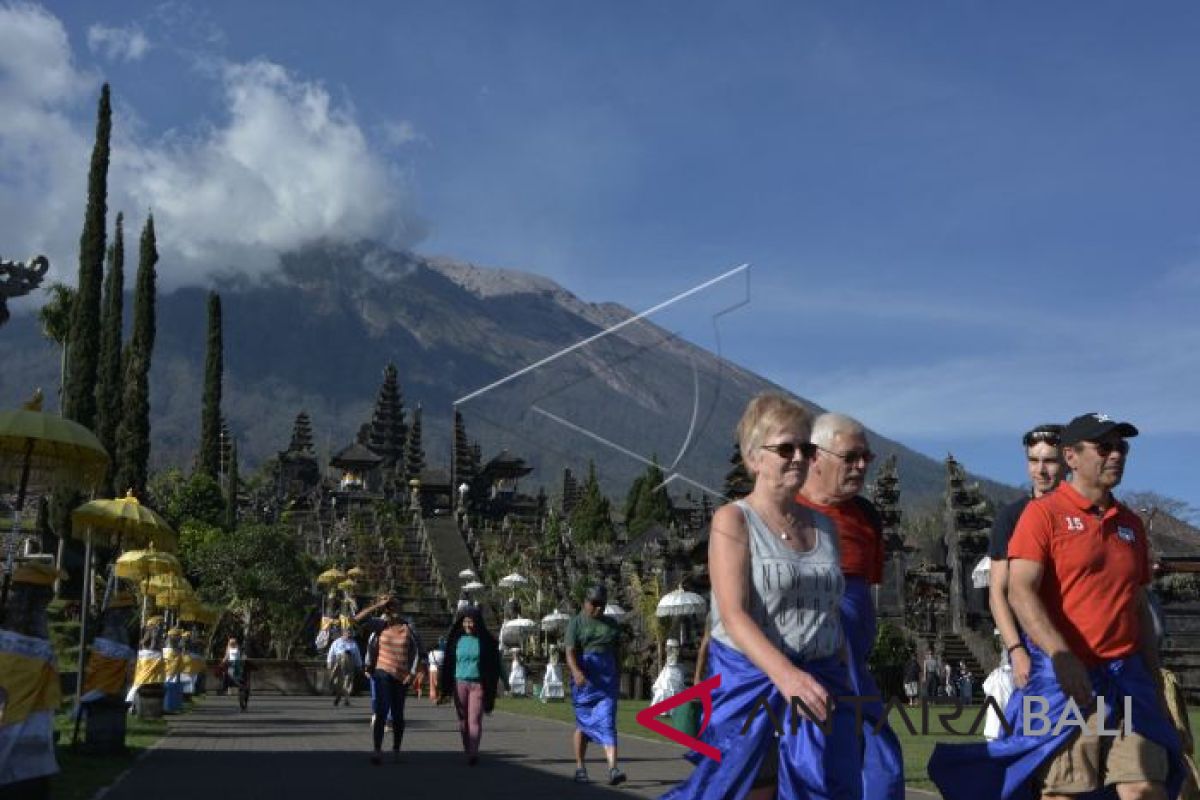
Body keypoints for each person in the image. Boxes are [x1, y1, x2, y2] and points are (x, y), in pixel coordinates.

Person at [930, 413, 1184, 800]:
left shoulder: (1130, 524)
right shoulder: (1042, 515)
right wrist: (1047, 653)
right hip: (1061, 680)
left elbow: (1136, 609)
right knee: (1065, 789)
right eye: (1105, 447)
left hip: (1125, 679)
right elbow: (1019, 591)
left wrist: (1151, 681)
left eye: (1122, 447)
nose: (1116, 455)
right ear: (1073, 456)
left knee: (1145, 786)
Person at [665, 393, 860, 800]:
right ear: (754, 458)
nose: (798, 458)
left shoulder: (825, 527)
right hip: (754, 684)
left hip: (823, 682)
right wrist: (785, 675)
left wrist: (843, 672)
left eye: (806, 449)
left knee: (828, 788)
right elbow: (734, 614)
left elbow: (830, 608)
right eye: (784, 448)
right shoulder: (733, 520)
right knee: (749, 789)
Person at [798, 411, 904, 798]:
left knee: (877, 758)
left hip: (855, 660)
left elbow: (865, 591)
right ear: (815, 456)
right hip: (803, 660)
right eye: (851, 457)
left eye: (867, 458)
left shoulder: (867, 517)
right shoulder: (783, 509)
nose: (861, 466)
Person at [987, 424, 1064, 692]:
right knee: (1035, 728)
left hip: (1082, 642)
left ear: (1068, 459)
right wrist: (1016, 650)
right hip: (1030, 648)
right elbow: (998, 591)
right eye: (1033, 460)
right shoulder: (1011, 517)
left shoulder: (1082, 516)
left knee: (1096, 726)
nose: (1040, 470)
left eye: (1050, 461)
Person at [566, 584, 625, 785]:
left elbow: (618, 653)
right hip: (585, 679)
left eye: (602, 605)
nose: (598, 608)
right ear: (585, 602)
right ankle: (580, 767)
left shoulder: (611, 625)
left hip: (606, 679)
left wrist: (618, 674)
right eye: (594, 604)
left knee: (608, 721)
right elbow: (570, 652)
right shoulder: (576, 623)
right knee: (583, 725)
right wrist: (576, 671)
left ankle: (613, 769)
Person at [354, 593, 422, 765]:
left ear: (400, 607)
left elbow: (417, 651)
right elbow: (355, 620)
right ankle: (377, 750)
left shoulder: (408, 627)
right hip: (382, 673)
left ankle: (396, 750)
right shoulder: (380, 624)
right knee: (381, 712)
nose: (391, 607)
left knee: (398, 715)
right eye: (388, 605)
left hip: (401, 675)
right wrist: (377, 605)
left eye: (394, 604)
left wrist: (412, 673)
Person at [437, 606, 501, 766]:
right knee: (463, 720)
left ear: (477, 622)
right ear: (461, 622)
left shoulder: (486, 641)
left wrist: (503, 683)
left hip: (478, 684)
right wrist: (443, 687)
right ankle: (467, 747)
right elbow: (448, 664)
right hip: (460, 683)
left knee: (474, 720)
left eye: (471, 621)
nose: (468, 625)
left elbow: (495, 665)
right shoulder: (456, 640)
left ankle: (473, 753)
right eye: (466, 621)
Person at [327, 627, 362, 707]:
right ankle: (339, 696)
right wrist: (329, 662)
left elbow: (357, 655)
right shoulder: (337, 642)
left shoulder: (353, 643)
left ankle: (346, 699)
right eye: (348, 633)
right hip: (339, 662)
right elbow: (331, 653)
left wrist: (359, 665)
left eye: (350, 633)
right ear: (343, 633)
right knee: (338, 682)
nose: (349, 635)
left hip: (350, 662)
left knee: (348, 681)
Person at [220, 637, 250, 711]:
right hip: (234, 668)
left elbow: (243, 658)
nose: (232, 644)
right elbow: (226, 658)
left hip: (237, 669)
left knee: (242, 684)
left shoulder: (236, 650)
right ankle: (226, 687)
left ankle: (227, 688)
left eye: (233, 642)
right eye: (231, 643)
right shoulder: (231, 650)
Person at [428, 637, 446, 701]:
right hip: (440, 669)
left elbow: (429, 661)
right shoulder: (442, 653)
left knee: (432, 683)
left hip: (432, 668)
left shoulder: (430, 653)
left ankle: (432, 696)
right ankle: (439, 696)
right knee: (438, 683)